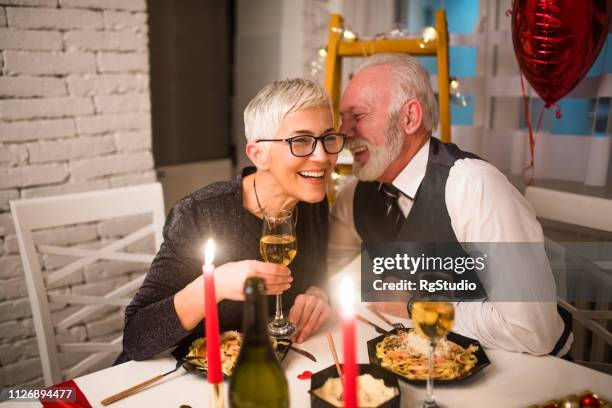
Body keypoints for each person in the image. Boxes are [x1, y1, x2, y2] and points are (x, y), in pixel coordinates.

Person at [329, 53, 572, 356]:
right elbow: (333, 276)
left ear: (409, 118)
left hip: (525, 372)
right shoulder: (355, 197)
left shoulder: (474, 187)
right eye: (343, 118)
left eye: (359, 116)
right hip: (424, 365)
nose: (345, 132)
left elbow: (533, 333)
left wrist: (416, 306)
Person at [118, 78, 345, 362]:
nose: (323, 156)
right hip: (181, 379)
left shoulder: (313, 200)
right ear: (258, 155)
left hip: (267, 369)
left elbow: (315, 271)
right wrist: (215, 285)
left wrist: (319, 293)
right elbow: (136, 337)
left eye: (328, 138)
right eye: (300, 141)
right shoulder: (200, 214)